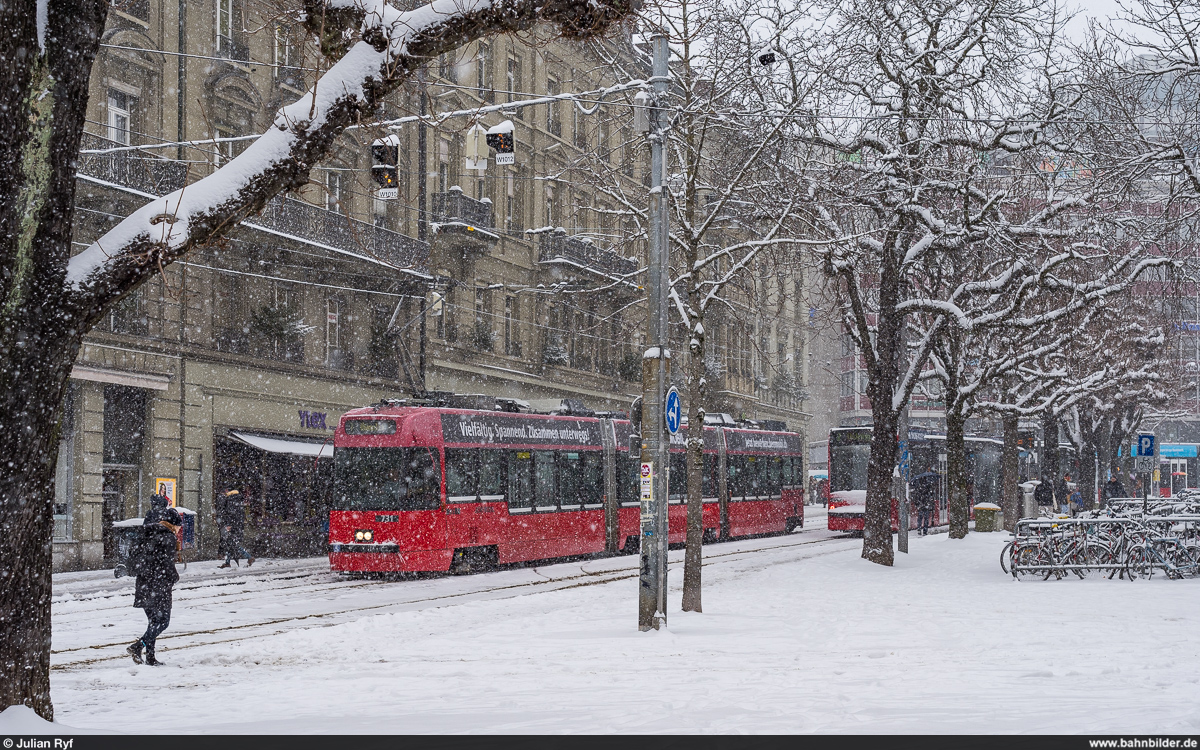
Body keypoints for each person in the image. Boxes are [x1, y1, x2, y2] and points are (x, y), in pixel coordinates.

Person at [127, 505, 182, 666]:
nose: (179, 530)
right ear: (173, 524)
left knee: (153, 622)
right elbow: (166, 563)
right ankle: (138, 646)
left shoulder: (147, 533)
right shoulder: (168, 538)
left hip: (144, 583)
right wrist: (174, 577)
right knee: (163, 621)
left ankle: (150, 657)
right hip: (159, 585)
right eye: (179, 526)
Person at [217, 488, 254, 568]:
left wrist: (229, 525)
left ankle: (249, 557)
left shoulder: (231, 502)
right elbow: (238, 515)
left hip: (232, 526)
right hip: (237, 526)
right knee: (230, 543)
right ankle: (227, 562)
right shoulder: (238, 502)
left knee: (233, 544)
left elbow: (230, 514)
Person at [911, 471, 937, 536]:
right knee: (926, 518)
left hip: (920, 504)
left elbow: (916, 496)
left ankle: (919, 528)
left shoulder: (918, 486)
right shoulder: (928, 486)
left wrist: (917, 504)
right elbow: (930, 495)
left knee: (920, 517)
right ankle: (925, 530)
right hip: (926, 504)